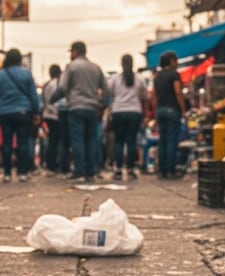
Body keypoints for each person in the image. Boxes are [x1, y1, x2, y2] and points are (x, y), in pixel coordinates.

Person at [56, 41, 110, 183]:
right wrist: (102, 105)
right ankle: (90, 171)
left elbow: (62, 87)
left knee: (78, 140)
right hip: (92, 108)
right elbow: (107, 90)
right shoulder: (96, 68)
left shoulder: (71, 67)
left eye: (71, 52)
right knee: (91, 140)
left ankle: (79, 170)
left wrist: (55, 99)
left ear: (75, 52)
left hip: (76, 107)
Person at [0, 48, 40, 183]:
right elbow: (33, 95)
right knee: (23, 143)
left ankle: (7, 173)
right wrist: (36, 112)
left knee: (6, 143)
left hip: (5, 113)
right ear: (20, 60)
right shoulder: (27, 74)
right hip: (23, 112)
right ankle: (23, 172)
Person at [107, 54, 147, 181]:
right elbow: (144, 97)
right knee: (132, 141)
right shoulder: (140, 79)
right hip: (135, 112)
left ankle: (118, 169)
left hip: (118, 112)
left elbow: (110, 95)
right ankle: (130, 169)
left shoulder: (115, 79)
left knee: (118, 141)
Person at [150, 50, 185, 179]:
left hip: (161, 111)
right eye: (176, 60)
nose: (177, 63)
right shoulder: (174, 75)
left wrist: (156, 111)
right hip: (172, 110)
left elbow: (153, 96)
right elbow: (178, 92)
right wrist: (183, 110)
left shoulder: (157, 76)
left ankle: (162, 170)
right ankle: (170, 170)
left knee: (162, 141)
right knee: (171, 141)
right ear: (171, 61)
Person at [41, 64, 62, 175]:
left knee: (51, 141)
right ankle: (56, 165)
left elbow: (44, 101)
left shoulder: (47, 85)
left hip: (48, 115)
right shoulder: (58, 84)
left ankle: (50, 164)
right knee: (57, 141)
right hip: (56, 115)